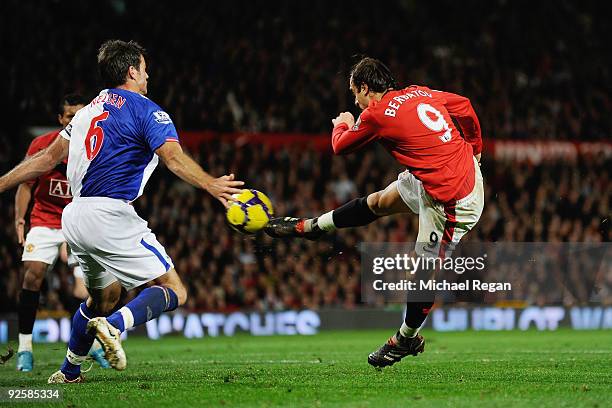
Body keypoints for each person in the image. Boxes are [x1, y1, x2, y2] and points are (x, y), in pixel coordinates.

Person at [0, 39, 244, 383]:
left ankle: (69, 370)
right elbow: (172, 157)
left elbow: (44, 159)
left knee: (103, 298)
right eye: (144, 70)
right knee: (175, 289)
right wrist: (211, 184)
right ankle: (114, 327)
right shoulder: (148, 110)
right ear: (132, 71)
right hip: (110, 213)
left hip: (74, 216)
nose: (148, 76)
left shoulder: (87, 112)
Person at [266, 57, 484, 368]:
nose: (354, 101)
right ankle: (313, 227)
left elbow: (340, 146)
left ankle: (406, 338)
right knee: (380, 202)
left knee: (422, 271)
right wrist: (476, 147)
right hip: (442, 173)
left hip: (453, 197)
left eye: (354, 93)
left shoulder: (377, 114)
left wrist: (342, 122)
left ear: (366, 89)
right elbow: (464, 105)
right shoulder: (420, 92)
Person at [14, 94, 109, 372]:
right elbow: (25, 184)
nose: (75, 120)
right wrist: (20, 218)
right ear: (60, 120)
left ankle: (89, 345)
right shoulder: (42, 145)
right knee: (33, 273)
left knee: (87, 290)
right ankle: (25, 348)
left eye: (80, 115)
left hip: (77, 222)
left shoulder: (95, 147)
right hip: (44, 219)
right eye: (70, 116)